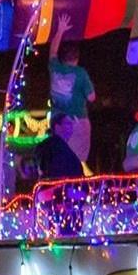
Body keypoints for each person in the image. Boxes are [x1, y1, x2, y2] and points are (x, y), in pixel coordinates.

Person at [47, 14, 96, 169]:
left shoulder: (54, 67)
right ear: (77, 58)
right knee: (77, 160)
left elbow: (53, 50)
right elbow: (91, 97)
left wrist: (60, 30)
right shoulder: (80, 73)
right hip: (76, 121)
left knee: (60, 155)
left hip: (57, 120)